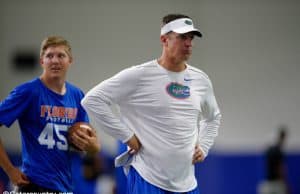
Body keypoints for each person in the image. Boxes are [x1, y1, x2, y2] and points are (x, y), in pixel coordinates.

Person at [81, 13, 221, 194]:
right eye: (182, 37)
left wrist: (204, 145)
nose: (189, 43)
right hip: (147, 179)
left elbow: (213, 118)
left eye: (191, 38)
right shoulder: (139, 76)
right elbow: (92, 100)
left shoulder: (200, 80)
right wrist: (127, 136)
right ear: (164, 39)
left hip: (187, 183)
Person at [0, 36, 100, 193]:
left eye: (61, 55)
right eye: (49, 56)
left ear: (70, 61)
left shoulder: (77, 95)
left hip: (64, 186)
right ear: (42, 61)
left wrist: (93, 147)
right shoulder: (28, 92)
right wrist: (9, 170)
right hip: (33, 185)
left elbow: (84, 143)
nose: (55, 61)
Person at [258, 125, 290, 194]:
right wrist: (285, 183)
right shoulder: (278, 151)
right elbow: (280, 168)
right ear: (283, 138)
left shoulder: (271, 150)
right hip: (276, 183)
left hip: (268, 182)